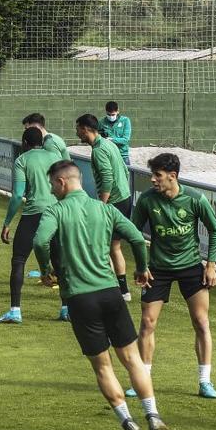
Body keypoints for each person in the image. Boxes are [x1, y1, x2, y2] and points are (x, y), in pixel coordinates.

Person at [33, 161, 166, 430]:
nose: (52, 190)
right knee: (132, 360)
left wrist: (46, 270)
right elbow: (136, 238)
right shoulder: (105, 210)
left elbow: (40, 241)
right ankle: (152, 414)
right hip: (110, 293)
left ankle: (127, 421)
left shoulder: (55, 211)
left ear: (61, 183)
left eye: (52, 185)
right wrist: (142, 269)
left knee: (103, 367)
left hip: (80, 298)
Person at [131, 153, 216, 400]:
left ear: (173, 177)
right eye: (152, 175)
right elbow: (133, 231)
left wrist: (211, 265)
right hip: (157, 269)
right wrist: (142, 265)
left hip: (191, 266)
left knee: (201, 322)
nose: (152, 180)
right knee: (148, 323)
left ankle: (205, 381)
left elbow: (215, 229)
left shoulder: (194, 199)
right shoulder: (147, 201)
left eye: (157, 176)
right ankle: (143, 378)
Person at [0, 127, 68, 324]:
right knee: (60, 262)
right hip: (56, 213)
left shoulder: (23, 160)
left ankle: (15, 311)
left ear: (25, 142)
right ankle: (66, 309)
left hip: (33, 214)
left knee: (18, 260)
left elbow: (18, 195)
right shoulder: (54, 156)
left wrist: (7, 222)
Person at [76, 114, 132, 302]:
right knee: (113, 246)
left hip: (113, 202)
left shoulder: (99, 150)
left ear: (85, 129)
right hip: (125, 198)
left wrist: (102, 205)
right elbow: (124, 170)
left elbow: (107, 179)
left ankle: (110, 287)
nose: (77, 133)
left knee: (102, 246)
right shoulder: (110, 145)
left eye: (78, 129)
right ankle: (123, 290)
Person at [100, 101, 132, 166]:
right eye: (109, 114)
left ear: (118, 111)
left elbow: (126, 140)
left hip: (122, 155)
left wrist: (111, 140)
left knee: (127, 175)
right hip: (108, 155)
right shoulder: (101, 122)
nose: (111, 116)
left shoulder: (125, 121)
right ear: (106, 112)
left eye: (113, 114)